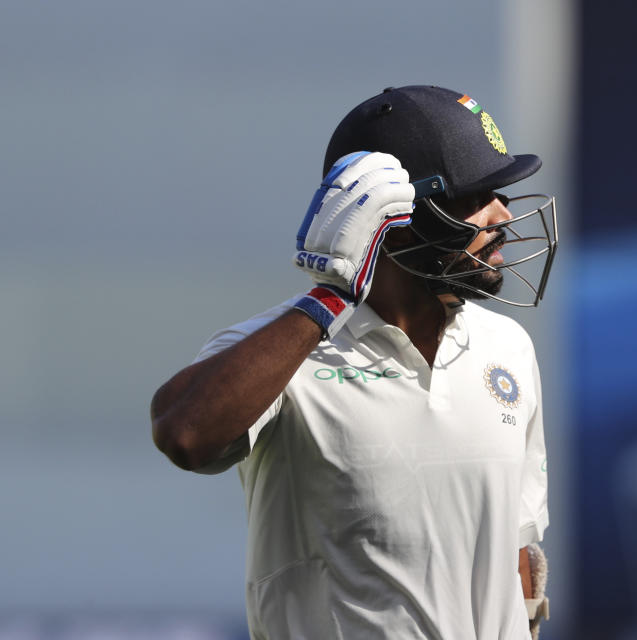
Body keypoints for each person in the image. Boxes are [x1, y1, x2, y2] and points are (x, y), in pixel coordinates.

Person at [150, 85, 557, 639]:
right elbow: (187, 435)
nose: (504, 214)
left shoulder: (507, 346)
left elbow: (516, 549)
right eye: (476, 194)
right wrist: (333, 296)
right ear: (391, 214)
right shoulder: (284, 350)